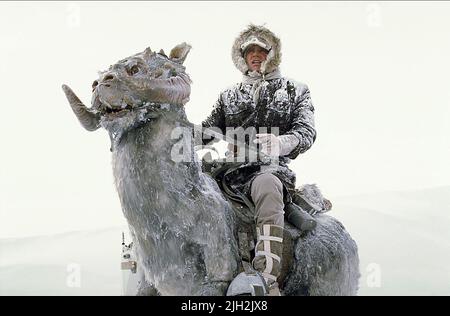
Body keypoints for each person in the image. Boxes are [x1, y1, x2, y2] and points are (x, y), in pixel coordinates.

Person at [201, 24, 316, 295]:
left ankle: (266, 277)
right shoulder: (228, 95)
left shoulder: (295, 90)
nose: (255, 54)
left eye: (261, 49)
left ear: (272, 53)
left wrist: (282, 143)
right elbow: (208, 130)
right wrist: (174, 130)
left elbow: (307, 132)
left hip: (270, 171)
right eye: (249, 50)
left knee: (266, 185)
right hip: (228, 174)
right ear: (242, 56)